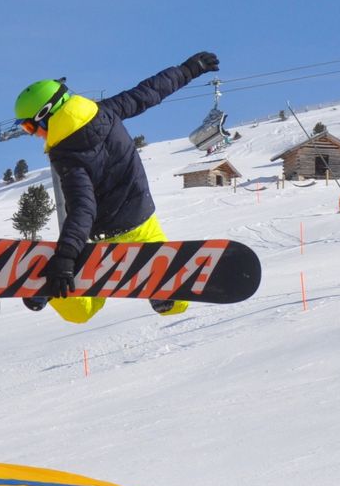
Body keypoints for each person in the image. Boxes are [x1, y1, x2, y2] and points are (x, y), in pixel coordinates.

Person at [12, 51, 220, 324]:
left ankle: (51, 289)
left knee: (82, 312)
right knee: (177, 301)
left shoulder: (67, 155)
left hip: (101, 241)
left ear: (46, 115)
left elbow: (82, 207)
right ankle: (163, 296)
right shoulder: (106, 111)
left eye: (30, 127)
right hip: (141, 225)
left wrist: (65, 257)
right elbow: (148, 93)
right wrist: (189, 70)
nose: (33, 135)